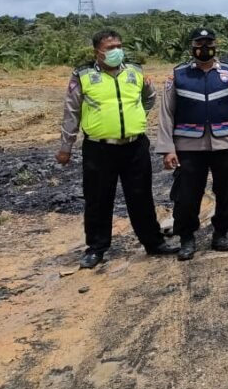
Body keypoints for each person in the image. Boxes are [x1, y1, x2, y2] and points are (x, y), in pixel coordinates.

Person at [56, 30, 178, 269]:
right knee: (98, 199)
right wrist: (65, 147)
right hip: (99, 149)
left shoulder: (135, 72)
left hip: (135, 146)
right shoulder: (83, 76)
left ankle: (153, 243)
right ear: (97, 51)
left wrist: (136, 116)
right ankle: (97, 248)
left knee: (141, 197)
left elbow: (150, 98)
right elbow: (72, 113)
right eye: (110, 47)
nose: (116, 51)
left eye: (119, 46)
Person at [157, 27, 228, 260]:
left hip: (226, 143)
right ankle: (187, 237)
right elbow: (166, 113)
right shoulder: (178, 75)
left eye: (208, 43)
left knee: (227, 191)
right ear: (191, 47)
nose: (203, 48)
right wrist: (168, 148)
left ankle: (221, 232)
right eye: (199, 44)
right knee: (186, 194)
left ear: (216, 45)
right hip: (189, 146)